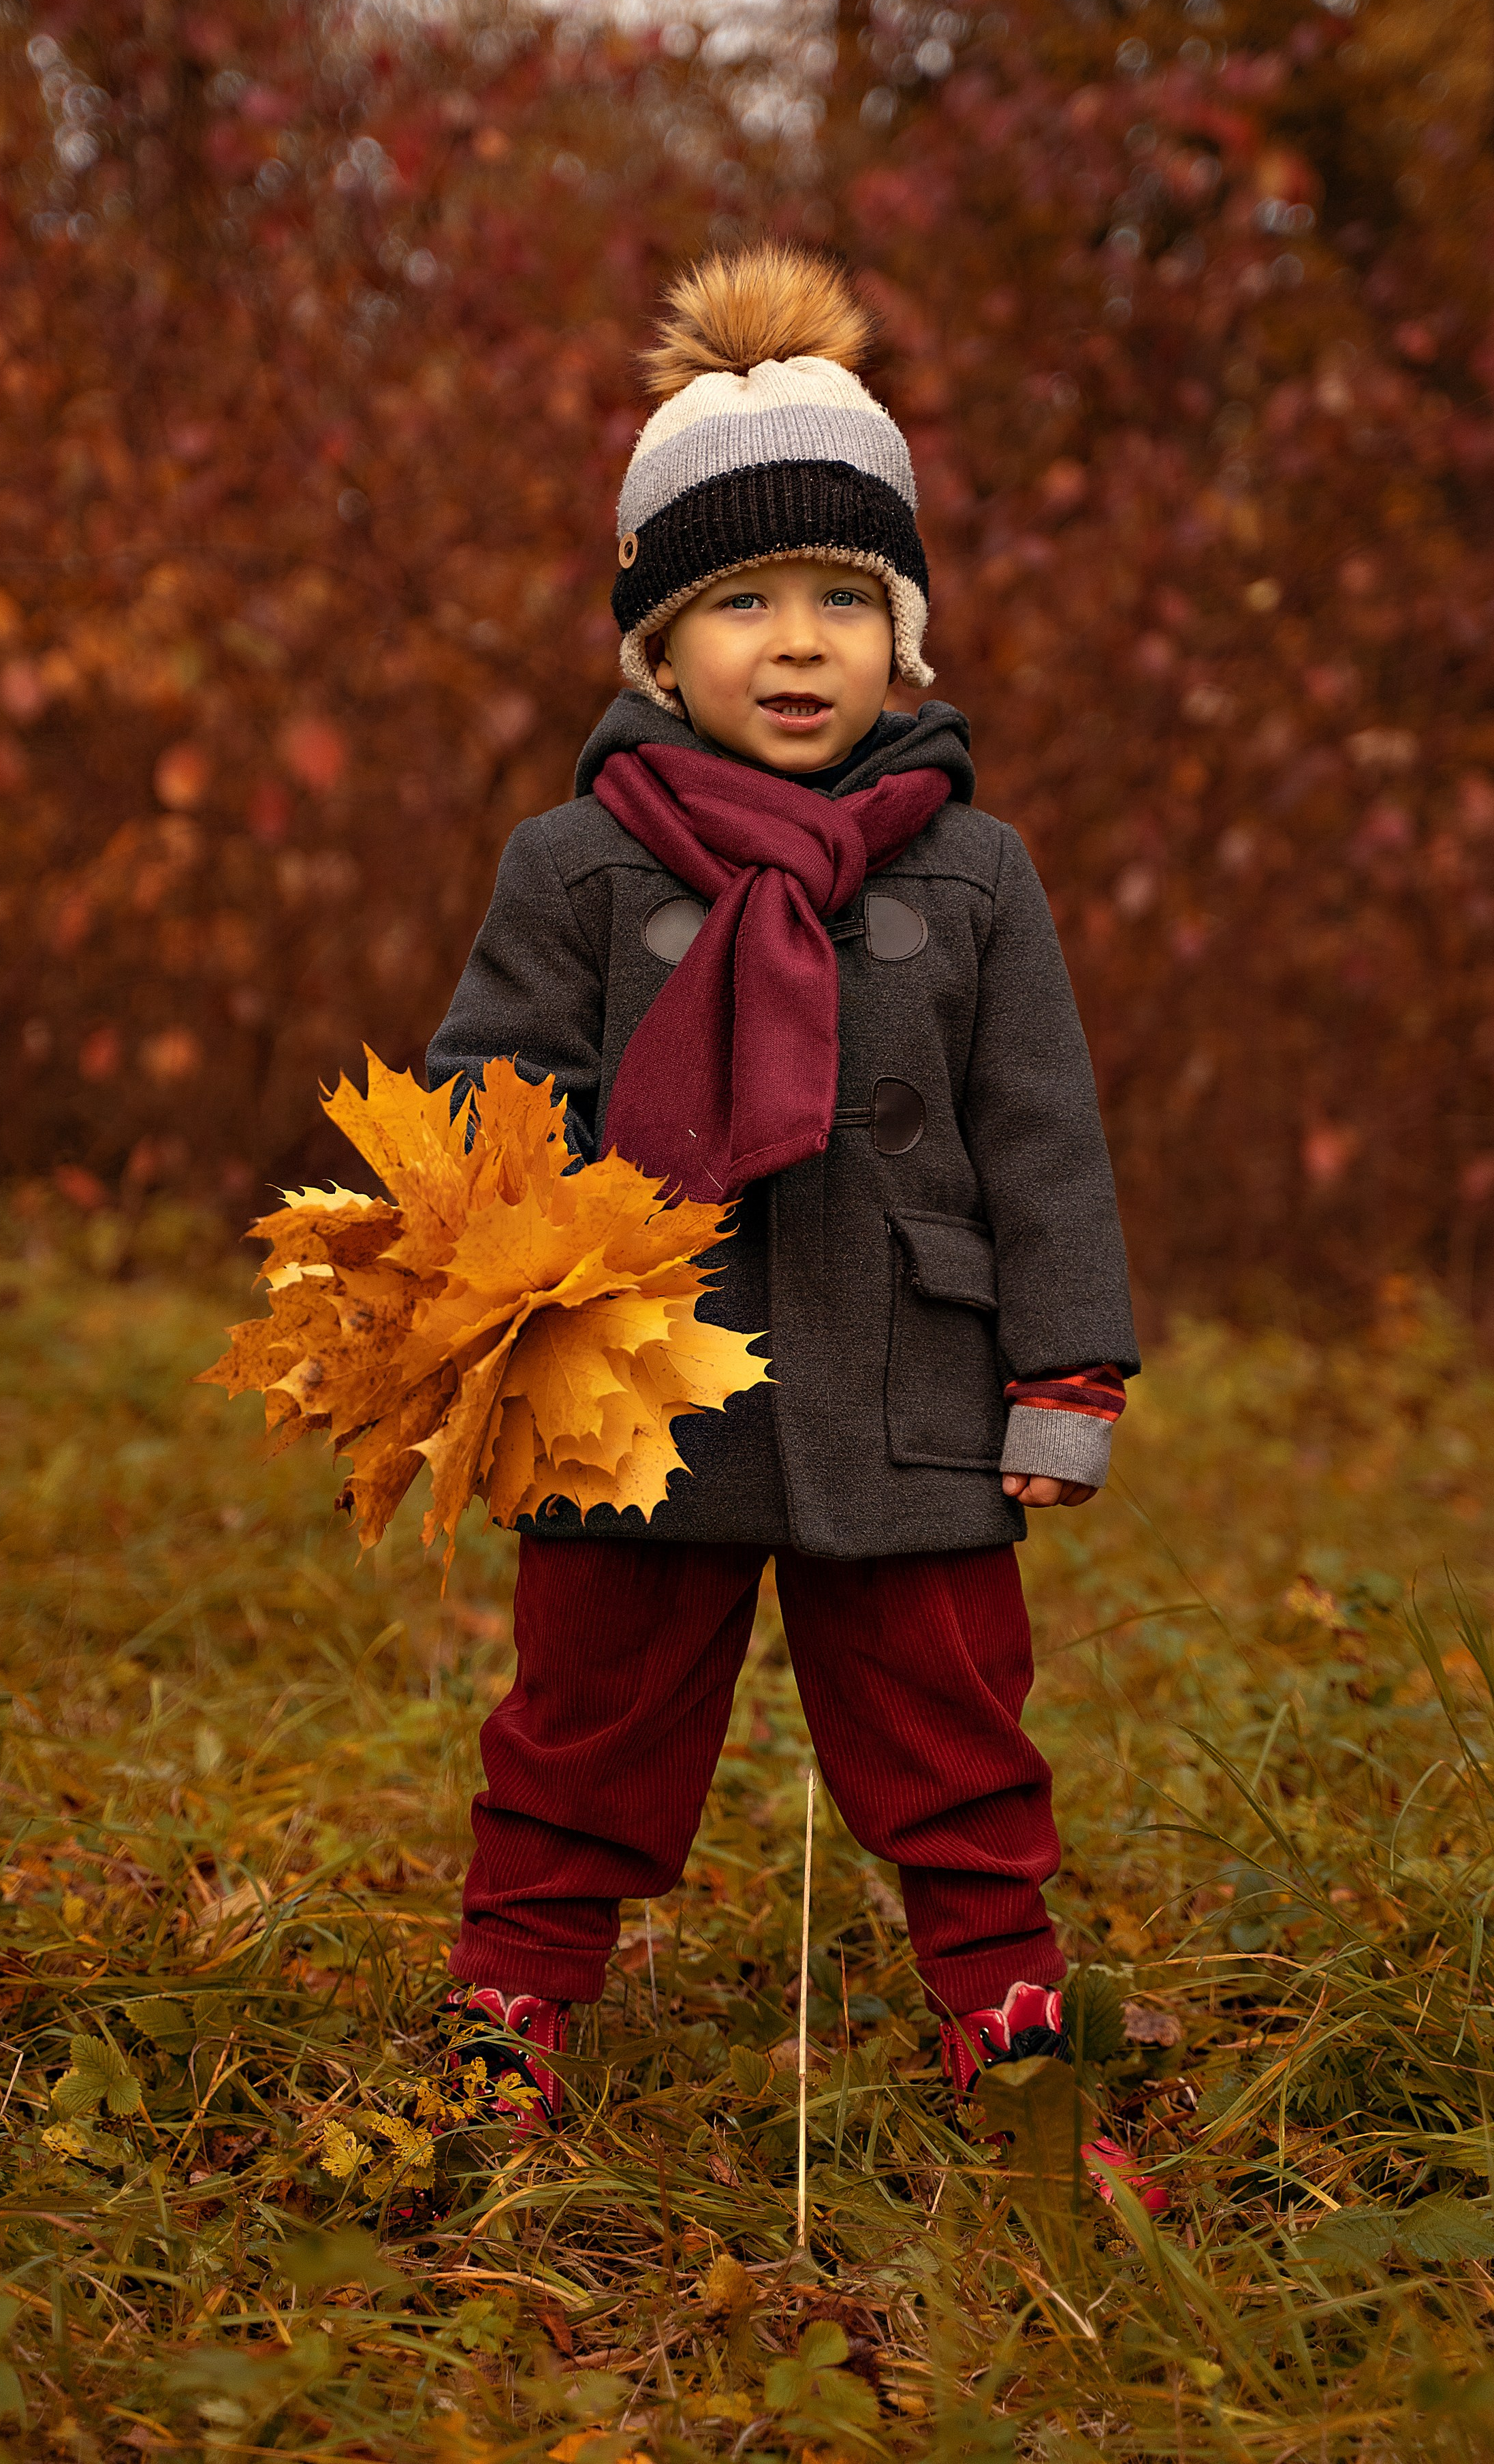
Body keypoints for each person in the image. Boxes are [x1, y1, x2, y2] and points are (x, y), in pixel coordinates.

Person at [419, 242, 1160, 2209]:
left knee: (951, 1720)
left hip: (901, 1378)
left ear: (902, 638)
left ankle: (1007, 2016)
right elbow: (487, 1084)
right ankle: (512, 2003)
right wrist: (517, 1253)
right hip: (636, 1394)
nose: (800, 644)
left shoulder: (974, 872)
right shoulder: (576, 866)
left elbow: (1041, 1131)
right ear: (657, 650)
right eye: (741, 601)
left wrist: (1065, 1366)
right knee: (584, 1719)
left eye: (847, 598)